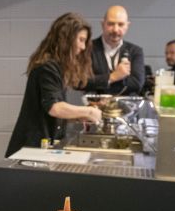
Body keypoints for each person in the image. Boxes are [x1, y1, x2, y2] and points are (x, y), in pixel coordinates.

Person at [5, 13, 102, 157]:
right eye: (81, 40)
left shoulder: (56, 67)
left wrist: (77, 116)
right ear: (67, 38)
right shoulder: (47, 67)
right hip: (31, 149)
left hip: (41, 148)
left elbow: (51, 110)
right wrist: (88, 112)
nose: (82, 47)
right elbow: (54, 108)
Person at [90, 5, 145, 95]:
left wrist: (100, 83)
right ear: (103, 24)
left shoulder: (135, 51)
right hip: (93, 106)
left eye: (121, 24)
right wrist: (113, 77)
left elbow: (137, 84)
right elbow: (82, 82)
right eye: (111, 24)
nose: (115, 29)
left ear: (127, 26)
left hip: (127, 107)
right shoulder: (88, 49)